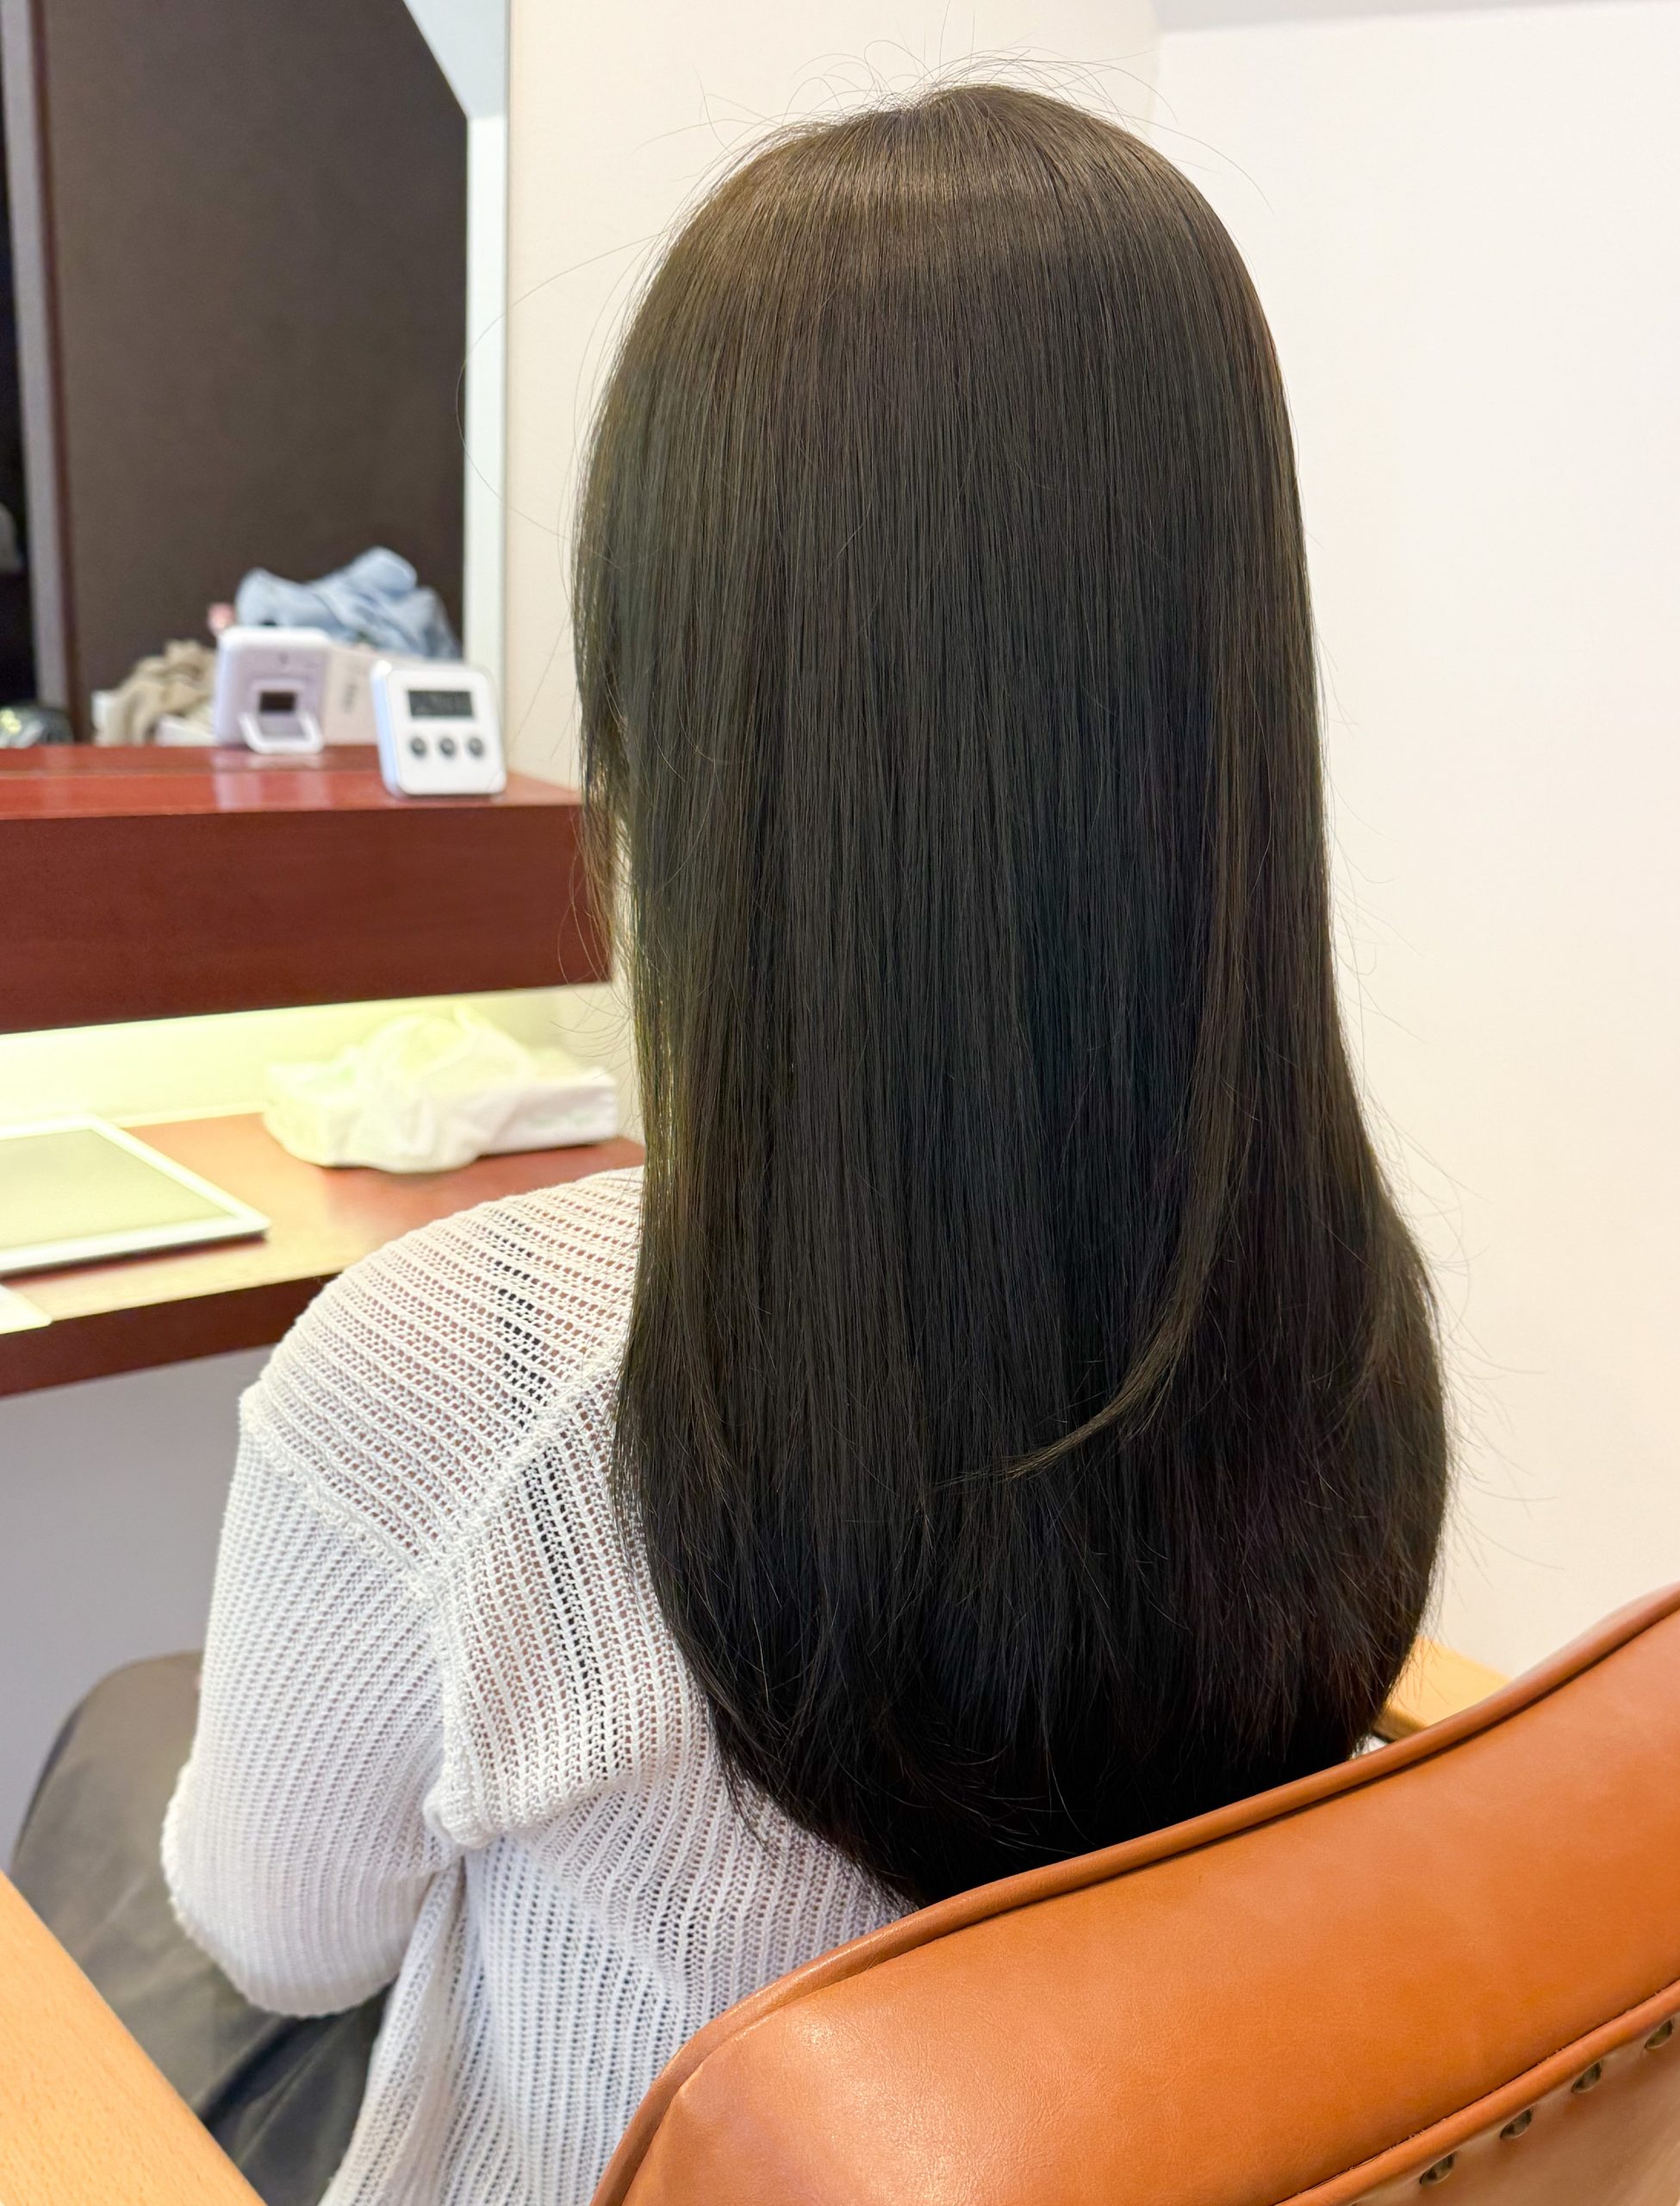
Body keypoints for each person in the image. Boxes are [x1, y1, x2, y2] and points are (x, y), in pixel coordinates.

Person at [13, 80, 1447, 2206]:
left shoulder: (453, 1376)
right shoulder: (1338, 1318)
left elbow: (277, 1938)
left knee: (117, 1766)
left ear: (675, 723)